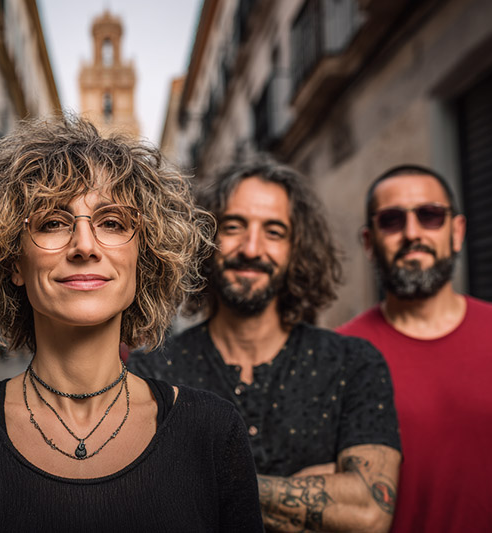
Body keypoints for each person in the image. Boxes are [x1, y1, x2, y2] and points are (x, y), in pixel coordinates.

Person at [0, 116, 264, 531]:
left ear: (143, 258)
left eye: (112, 223)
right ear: (14, 261)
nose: (84, 246)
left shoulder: (213, 432)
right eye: (53, 223)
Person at [128, 158, 402, 532]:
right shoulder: (151, 374)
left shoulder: (352, 364)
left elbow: (369, 512)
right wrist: (318, 494)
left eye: (274, 232)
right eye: (234, 227)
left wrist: (201, 482)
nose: (252, 248)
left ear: (297, 249)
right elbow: (140, 504)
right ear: (204, 238)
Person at [338, 164, 492, 532]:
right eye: (392, 220)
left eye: (430, 216)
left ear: (457, 232)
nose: (412, 233)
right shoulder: (339, 356)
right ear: (369, 242)